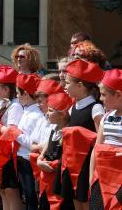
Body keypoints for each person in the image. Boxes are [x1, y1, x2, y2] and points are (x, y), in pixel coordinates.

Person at [63, 59, 105, 210]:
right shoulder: (72, 108)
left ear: (80, 85)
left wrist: (81, 135)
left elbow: (100, 139)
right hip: (72, 162)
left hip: (87, 162)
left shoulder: (96, 108)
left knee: (85, 201)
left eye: (68, 83)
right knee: (76, 201)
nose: (64, 86)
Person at [0, 65, 23, 210]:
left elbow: (11, 132)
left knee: (10, 191)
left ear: (6, 89)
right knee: (2, 190)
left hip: (8, 154)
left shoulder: (15, 106)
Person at [89, 69, 122, 209]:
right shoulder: (107, 117)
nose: (100, 99)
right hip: (101, 178)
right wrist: (92, 178)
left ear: (119, 95)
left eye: (103, 95)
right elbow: (97, 149)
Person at [37, 93, 74, 210]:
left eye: (51, 111)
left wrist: (54, 165)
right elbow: (45, 150)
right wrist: (39, 159)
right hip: (46, 179)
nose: (47, 113)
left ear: (62, 114)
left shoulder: (68, 133)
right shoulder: (54, 129)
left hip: (58, 181)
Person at [15, 73, 43, 210]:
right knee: (26, 194)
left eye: (17, 93)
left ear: (25, 94)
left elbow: (33, 142)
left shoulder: (37, 114)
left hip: (28, 159)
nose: (16, 96)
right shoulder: (26, 110)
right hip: (21, 157)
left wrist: (15, 135)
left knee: (31, 196)